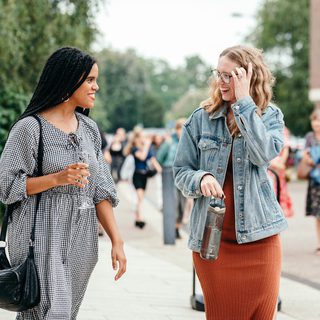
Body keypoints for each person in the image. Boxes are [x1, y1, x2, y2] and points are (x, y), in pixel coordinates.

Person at [0, 47, 126, 319]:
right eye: (90, 80)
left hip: (81, 235)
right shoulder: (30, 128)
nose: (97, 86)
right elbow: (6, 186)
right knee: (47, 310)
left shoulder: (89, 129)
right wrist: (56, 179)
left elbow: (101, 188)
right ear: (69, 81)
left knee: (66, 310)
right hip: (40, 231)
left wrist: (117, 240)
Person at [173, 45, 288, 320]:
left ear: (248, 77)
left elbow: (263, 155)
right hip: (213, 244)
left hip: (261, 239)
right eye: (218, 74)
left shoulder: (270, 116)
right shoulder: (201, 119)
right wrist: (201, 178)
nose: (221, 82)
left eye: (229, 76)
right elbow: (180, 170)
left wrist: (245, 104)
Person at [123, 127, 162, 228]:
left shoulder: (146, 149)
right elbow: (142, 157)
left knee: (140, 199)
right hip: (137, 175)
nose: (144, 139)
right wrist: (147, 145)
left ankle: (137, 217)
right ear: (138, 138)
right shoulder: (135, 149)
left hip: (144, 176)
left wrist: (160, 170)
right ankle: (140, 218)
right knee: (140, 197)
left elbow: (153, 160)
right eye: (142, 137)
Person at [157, 118, 188, 239]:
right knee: (173, 204)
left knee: (182, 205)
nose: (182, 131)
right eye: (180, 128)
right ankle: (172, 229)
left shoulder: (188, 143)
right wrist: (161, 170)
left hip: (183, 177)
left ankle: (177, 227)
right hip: (170, 176)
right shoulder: (169, 142)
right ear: (176, 130)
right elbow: (158, 158)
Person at [299, 109, 320, 256]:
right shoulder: (310, 137)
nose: (316, 123)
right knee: (318, 215)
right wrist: (308, 159)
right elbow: (304, 154)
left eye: (318, 120)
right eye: (314, 120)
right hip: (315, 179)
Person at [268, 126, 294, 217]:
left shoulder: (282, 128)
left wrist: (280, 163)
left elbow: (286, 148)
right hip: (268, 164)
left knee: (279, 193)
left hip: (278, 166)